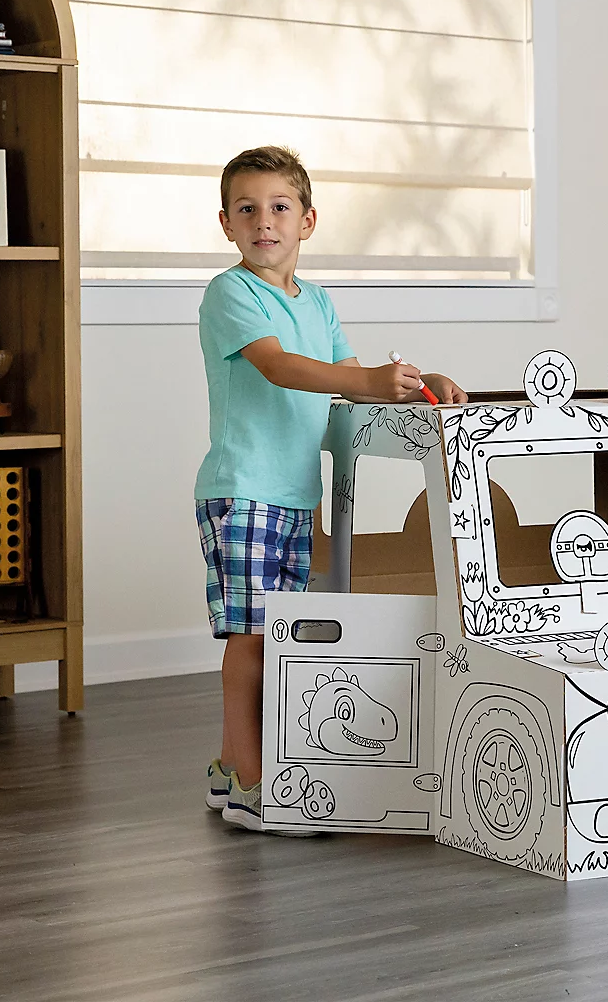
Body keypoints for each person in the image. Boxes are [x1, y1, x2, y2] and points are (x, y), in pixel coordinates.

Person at [195, 145, 467, 833]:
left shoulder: (317, 302)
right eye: (247, 209)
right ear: (225, 223)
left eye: (279, 208)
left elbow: (350, 385)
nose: (264, 222)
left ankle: (231, 769)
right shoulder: (230, 294)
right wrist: (368, 379)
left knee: (277, 637)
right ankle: (255, 785)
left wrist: (416, 384)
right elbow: (282, 369)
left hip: (293, 494)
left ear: (307, 221)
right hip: (244, 491)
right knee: (252, 639)